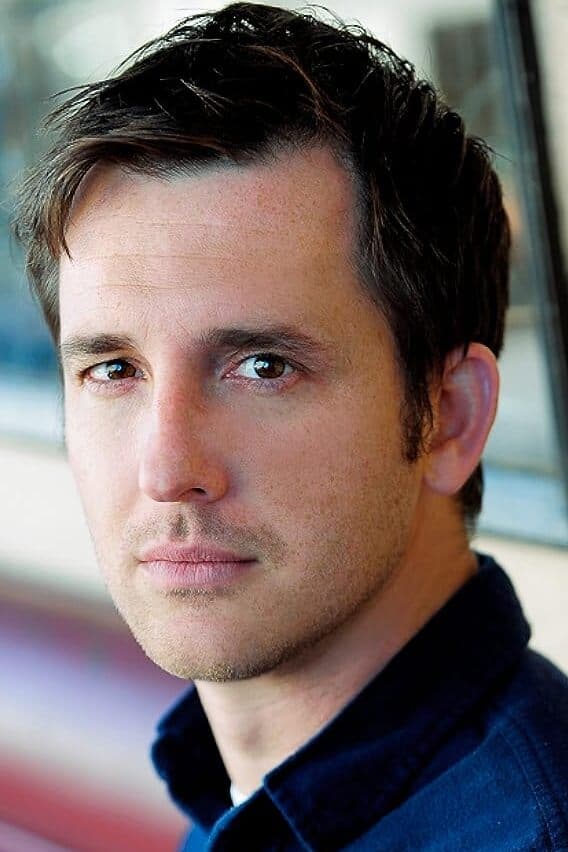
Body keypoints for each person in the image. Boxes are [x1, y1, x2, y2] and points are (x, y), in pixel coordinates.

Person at [13, 2, 568, 849]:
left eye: (263, 367)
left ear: (450, 418)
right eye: (114, 370)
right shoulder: (249, 796)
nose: (166, 469)